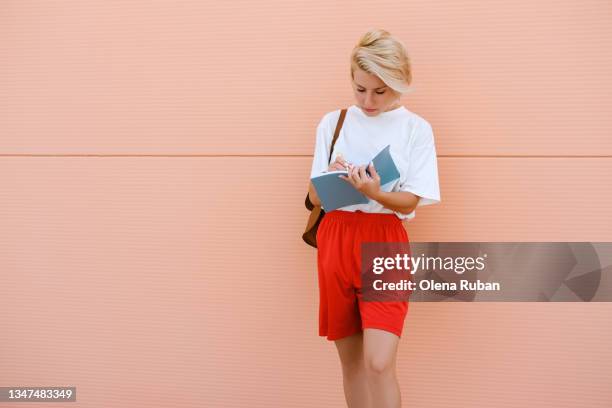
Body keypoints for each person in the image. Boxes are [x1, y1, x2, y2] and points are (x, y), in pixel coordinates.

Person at [307, 29, 441, 408]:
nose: (368, 100)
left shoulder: (416, 129)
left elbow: (412, 198)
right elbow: (314, 196)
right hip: (335, 238)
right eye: (360, 88)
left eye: (379, 91)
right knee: (351, 364)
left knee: (379, 362)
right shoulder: (333, 122)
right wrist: (332, 175)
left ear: (401, 82)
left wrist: (375, 192)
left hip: (384, 240)